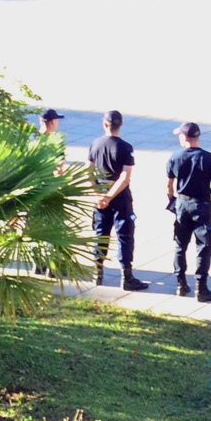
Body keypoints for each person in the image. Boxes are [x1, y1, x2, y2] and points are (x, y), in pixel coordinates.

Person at [87, 111, 143, 291]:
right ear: (121, 125)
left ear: (104, 125)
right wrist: (110, 196)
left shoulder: (95, 145)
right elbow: (125, 177)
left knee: (101, 233)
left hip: (101, 195)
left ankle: (98, 273)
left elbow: (88, 172)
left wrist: (99, 195)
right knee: (124, 235)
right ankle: (126, 277)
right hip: (119, 197)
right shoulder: (126, 147)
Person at [166, 122, 211, 301]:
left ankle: (181, 284)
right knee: (204, 246)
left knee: (181, 244)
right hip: (202, 205)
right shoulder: (208, 158)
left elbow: (169, 184)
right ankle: (201, 287)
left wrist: (172, 200)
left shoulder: (175, 157)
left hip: (182, 203)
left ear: (185, 138)